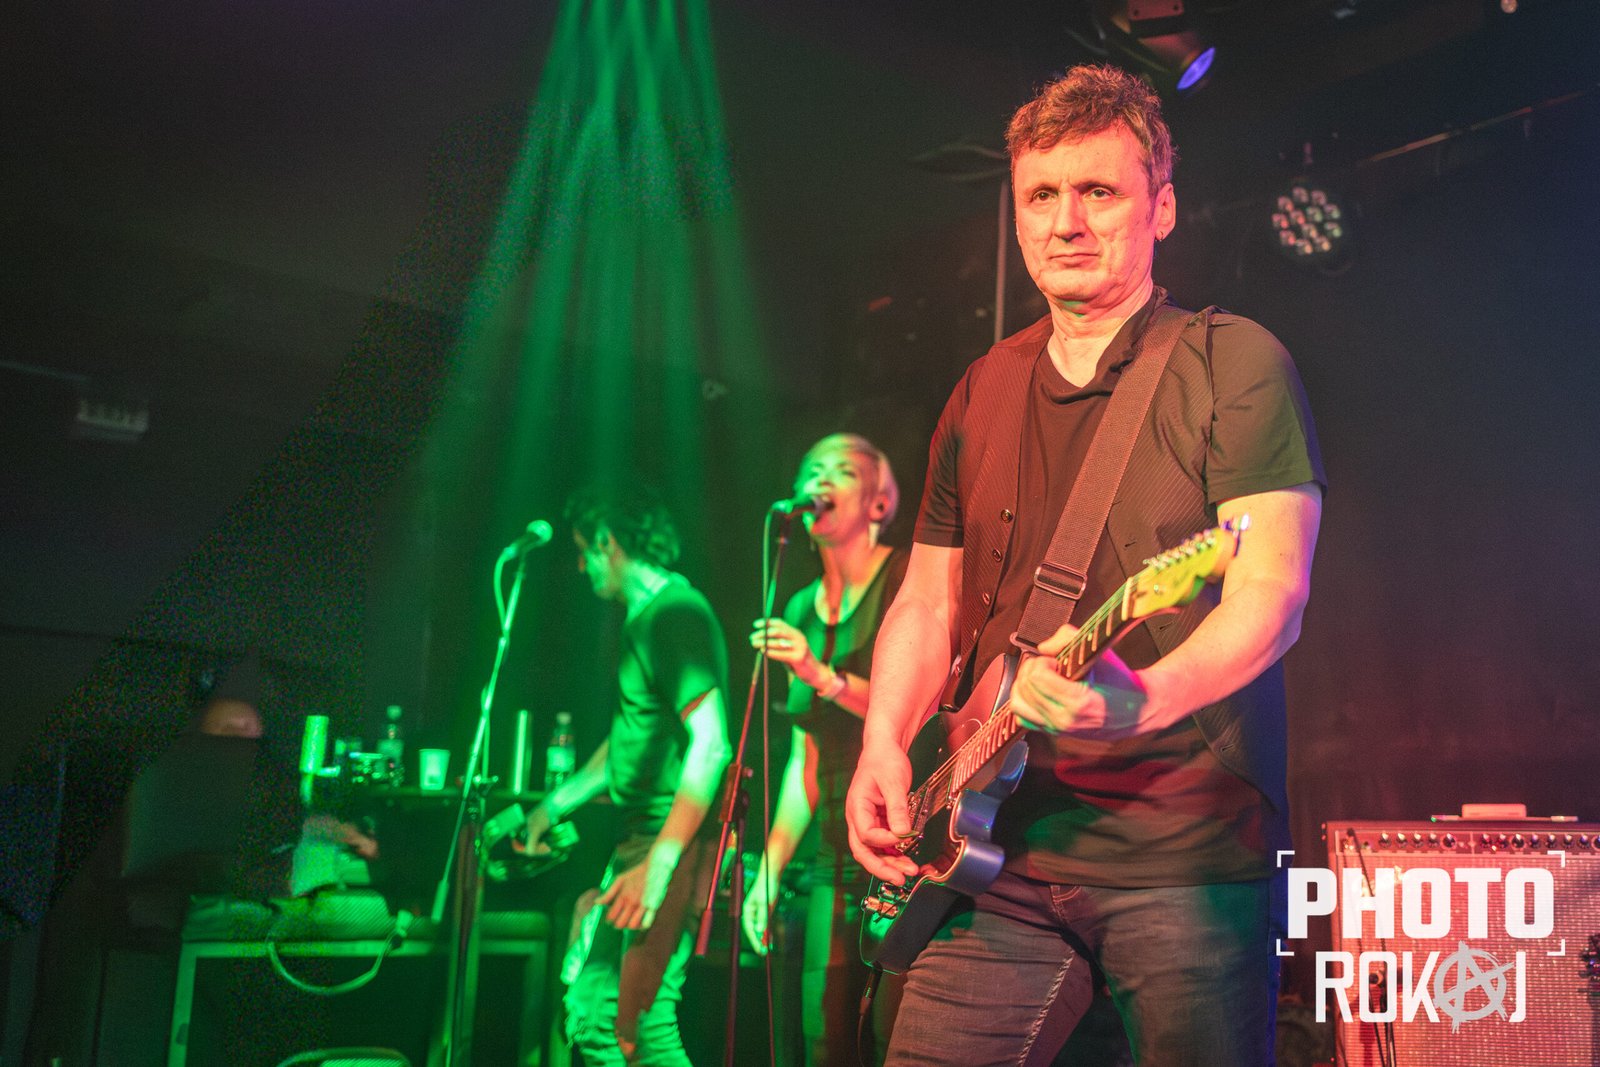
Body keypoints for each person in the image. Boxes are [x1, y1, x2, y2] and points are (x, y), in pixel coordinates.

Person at [845, 64, 1326, 1067]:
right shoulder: (982, 386)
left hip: (1184, 854)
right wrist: (883, 739)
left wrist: (1142, 701)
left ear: (1162, 209)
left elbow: (1271, 593)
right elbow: (926, 599)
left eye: (1098, 191)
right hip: (994, 849)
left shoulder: (1231, 362)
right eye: (1041, 196)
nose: (1065, 221)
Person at [521, 486, 733, 1066]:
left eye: (583, 550)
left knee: (634, 1024)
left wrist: (658, 866)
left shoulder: (674, 612)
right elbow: (628, 743)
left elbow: (711, 743)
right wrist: (551, 806)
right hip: (647, 839)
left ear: (607, 541)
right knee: (598, 1018)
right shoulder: (646, 619)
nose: (581, 566)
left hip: (673, 841)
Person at [742, 433, 908, 1066]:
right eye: (812, 470)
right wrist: (768, 872)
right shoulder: (797, 608)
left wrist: (822, 675)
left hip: (906, 835)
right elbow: (802, 764)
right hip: (832, 852)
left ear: (878, 502)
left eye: (842, 470)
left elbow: (916, 711)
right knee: (822, 1035)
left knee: (892, 1034)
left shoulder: (903, 581)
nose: (821, 480)